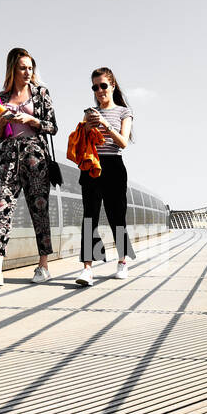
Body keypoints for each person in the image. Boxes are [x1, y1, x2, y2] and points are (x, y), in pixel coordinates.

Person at [0, 48, 57, 287]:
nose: (28, 72)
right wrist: (2, 121)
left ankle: (43, 266)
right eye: (23, 68)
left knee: (39, 211)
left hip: (35, 157)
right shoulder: (1, 97)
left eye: (30, 67)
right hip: (8, 156)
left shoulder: (40, 93)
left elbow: (52, 126)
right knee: (2, 209)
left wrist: (30, 120)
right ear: (12, 69)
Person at [75, 66, 136, 286]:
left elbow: (123, 142)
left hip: (113, 166)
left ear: (112, 86)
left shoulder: (123, 112)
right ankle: (88, 269)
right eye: (95, 87)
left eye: (103, 85)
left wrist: (105, 124)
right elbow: (82, 142)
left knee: (116, 216)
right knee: (89, 217)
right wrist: (86, 127)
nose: (99, 90)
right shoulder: (89, 111)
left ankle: (122, 261)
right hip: (92, 165)